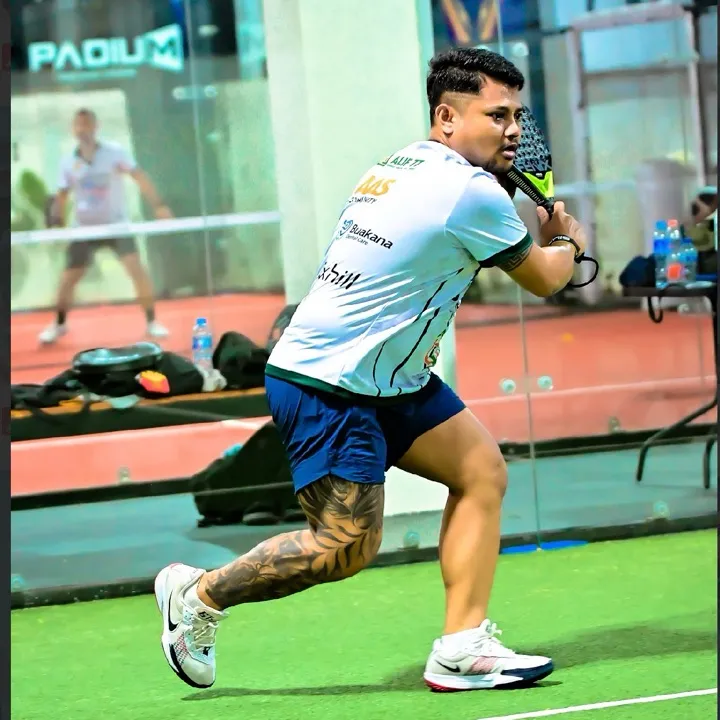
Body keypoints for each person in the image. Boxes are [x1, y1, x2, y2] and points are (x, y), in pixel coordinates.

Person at [154, 48, 587, 692]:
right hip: (331, 383)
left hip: (388, 377)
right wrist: (567, 237)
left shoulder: (402, 162)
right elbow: (549, 279)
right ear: (447, 117)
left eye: (517, 116)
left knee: (480, 472)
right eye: (497, 115)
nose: (514, 130)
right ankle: (197, 594)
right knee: (343, 547)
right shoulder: (468, 192)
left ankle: (462, 647)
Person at [38, 108, 171, 344]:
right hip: (84, 228)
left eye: (87, 124)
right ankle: (59, 324)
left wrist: (159, 205)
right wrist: (56, 219)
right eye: (78, 125)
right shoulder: (68, 161)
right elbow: (62, 194)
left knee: (136, 270)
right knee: (68, 279)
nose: (83, 129)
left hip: (116, 225)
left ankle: (152, 322)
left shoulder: (114, 153)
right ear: (74, 129)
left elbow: (139, 176)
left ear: (95, 127)